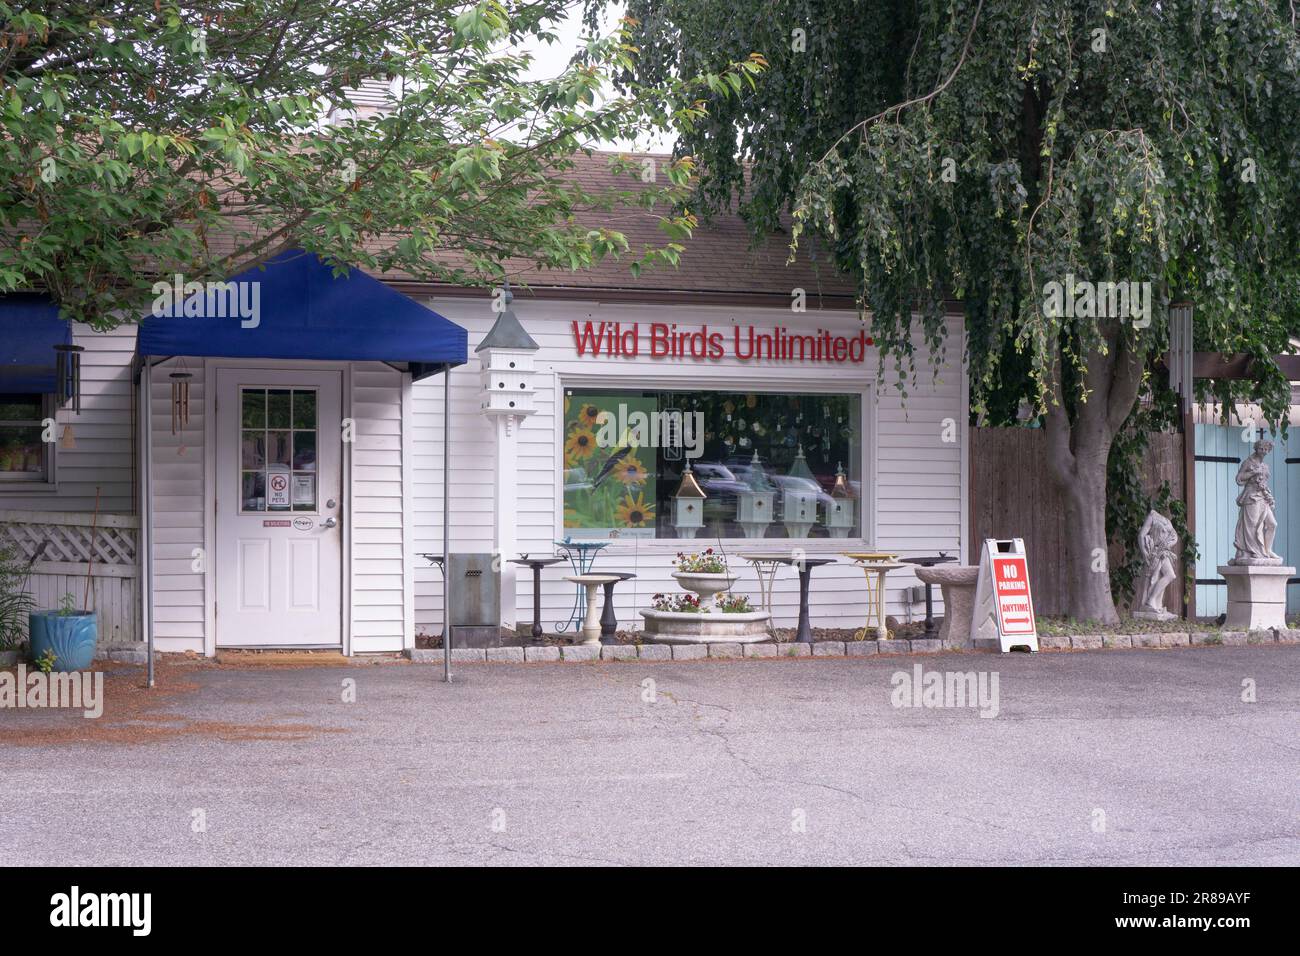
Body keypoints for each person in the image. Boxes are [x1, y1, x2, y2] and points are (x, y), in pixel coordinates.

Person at [1232, 439, 1281, 564]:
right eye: (1261, 449)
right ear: (1256, 448)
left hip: (1262, 497)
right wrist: (1253, 472)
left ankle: (1267, 550)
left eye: (1266, 449)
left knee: (1272, 524)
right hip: (1251, 497)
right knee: (1252, 526)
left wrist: (1269, 496)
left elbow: (1263, 483)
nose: (1264, 452)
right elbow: (1239, 479)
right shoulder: (1248, 462)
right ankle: (1252, 552)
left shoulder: (1265, 466)